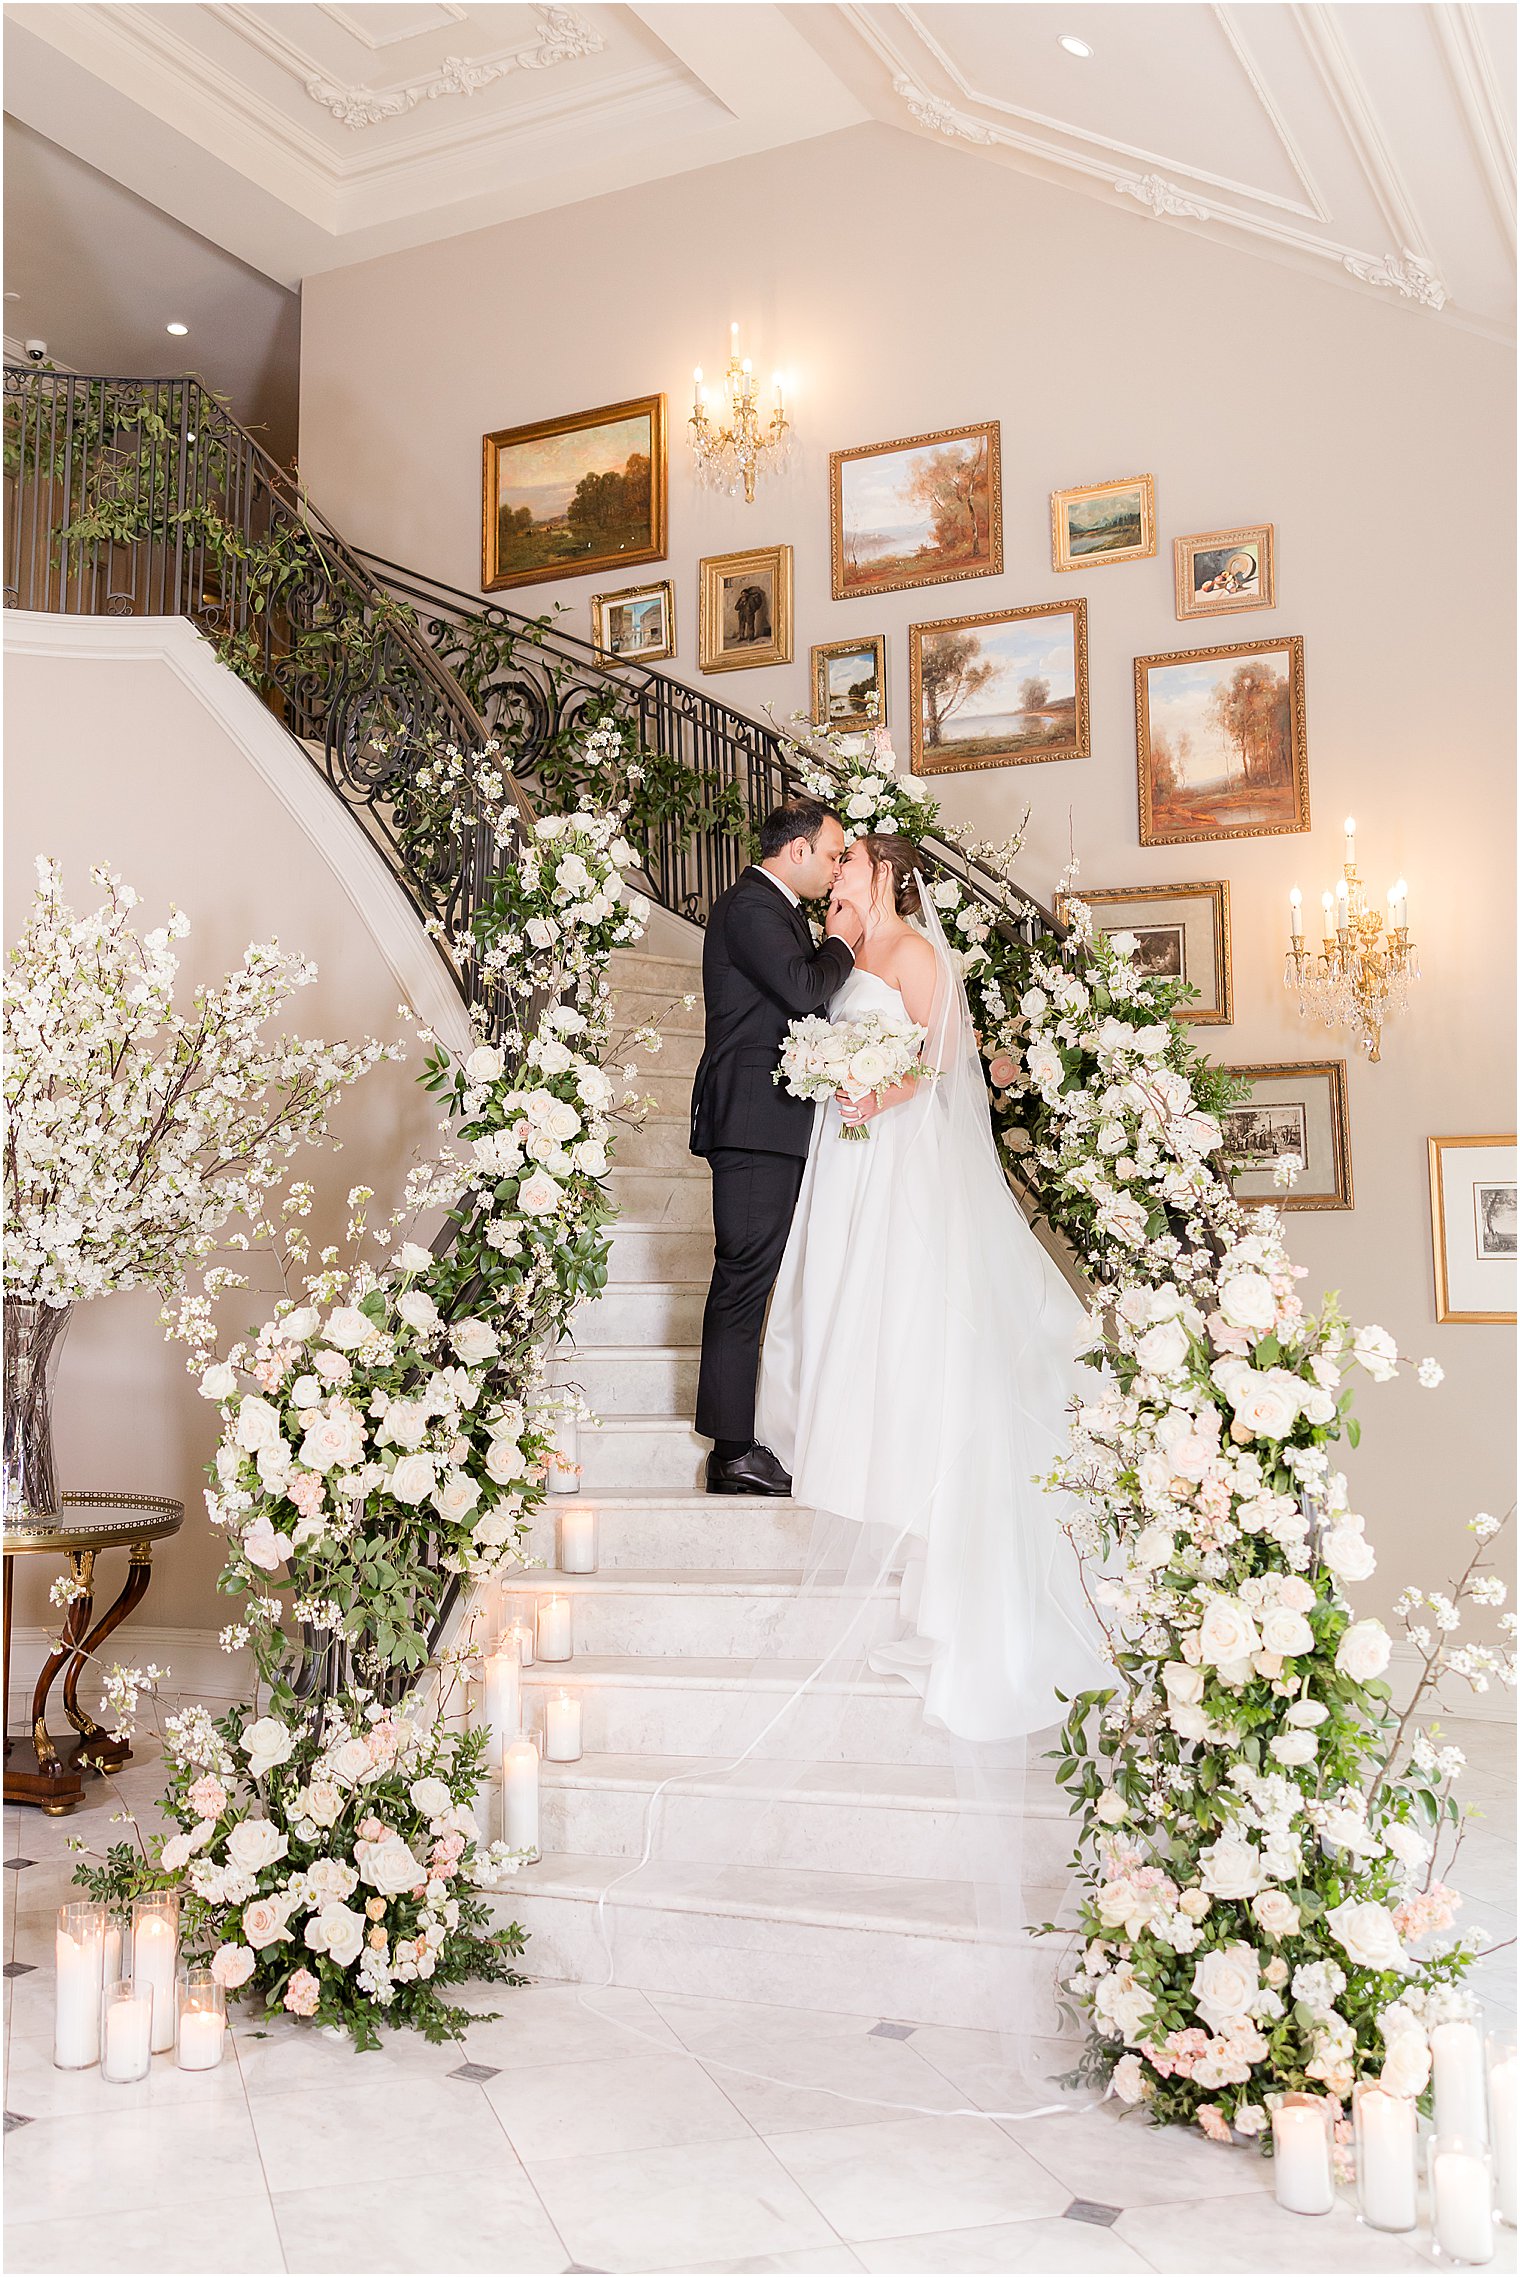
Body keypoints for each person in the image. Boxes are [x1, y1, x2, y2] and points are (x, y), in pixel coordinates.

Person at [754, 831, 1108, 1742]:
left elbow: (944, 1062)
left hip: (897, 1155)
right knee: (840, 1304)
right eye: (835, 865)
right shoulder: (842, 950)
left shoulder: (911, 949)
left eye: (852, 864)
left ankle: (919, 1481)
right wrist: (829, 1073)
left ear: (887, 877)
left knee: (908, 1312)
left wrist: (877, 1090)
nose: (838, 874)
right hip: (842, 1156)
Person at [689, 797, 863, 1496]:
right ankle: (732, 1452)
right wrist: (842, 941)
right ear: (797, 851)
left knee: (753, 1280)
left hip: (773, 1123)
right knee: (742, 1282)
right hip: (755, 1125)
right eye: (831, 853)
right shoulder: (752, 905)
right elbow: (802, 987)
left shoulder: (774, 907)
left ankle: (737, 1441)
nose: (835, 867)